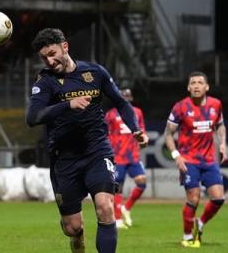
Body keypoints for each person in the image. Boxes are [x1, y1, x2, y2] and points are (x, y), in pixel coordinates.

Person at [25, 28, 148, 253]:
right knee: (72, 227)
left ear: (65, 47)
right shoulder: (45, 82)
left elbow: (121, 102)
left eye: (52, 54)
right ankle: (78, 235)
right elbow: (32, 117)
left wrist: (135, 129)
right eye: (44, 58)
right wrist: (67, 104)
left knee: (105, 206)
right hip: (64, 159)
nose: (50, 61)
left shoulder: (95, 72)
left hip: (97, 151)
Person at [164, 71, 227, 248]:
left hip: (208, 160)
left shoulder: (216, 105)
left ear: (207, 87)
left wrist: (222, 144)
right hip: (188, 160)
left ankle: (200, 222)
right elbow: (168, 134)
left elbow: (220, 125)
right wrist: (176, 156)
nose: (196, 85)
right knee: (194, 198)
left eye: (200, 82)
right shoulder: (180, 107)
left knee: (218, 198)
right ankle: (186, 236)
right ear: (188, 87)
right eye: (193, 83)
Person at [104, 88, 147, 229]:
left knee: (142, 182)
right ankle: (117, 219)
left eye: (128, 96)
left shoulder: (138, 112)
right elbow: (105, 134)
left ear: (131, 98)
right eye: (124, 96)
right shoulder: (110, 115)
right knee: (118, 188)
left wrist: (144, 139)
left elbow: (142, 130)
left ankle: (126, 208)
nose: (126, 98)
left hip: (133, 155)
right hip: (118, 156)